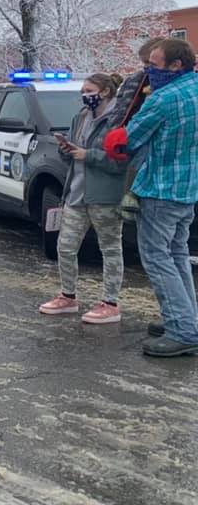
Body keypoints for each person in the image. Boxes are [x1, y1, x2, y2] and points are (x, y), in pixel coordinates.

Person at [105, 38, 198, 357]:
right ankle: (185, 318)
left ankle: (182, 330)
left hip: (160, 188)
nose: (148, 71)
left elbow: (128, 140)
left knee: (158, 258)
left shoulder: (163, 98)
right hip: (188, 188)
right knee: (177, 254)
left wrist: (114, 139)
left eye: (153, 65)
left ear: (175, 65)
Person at [39, 74, 127, 324]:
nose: (84, 95)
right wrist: (65, 150)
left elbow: (121, 162)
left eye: (89, 90)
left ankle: (110, 303)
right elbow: (71, 155)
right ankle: (68, 296)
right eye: (83, 91)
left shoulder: (119, 120)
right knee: (65, 247)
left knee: (110, 249)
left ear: (106, 91)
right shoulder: (80, 117)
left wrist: (88, 155)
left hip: (105, 196)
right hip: (76, 193)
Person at [107, 37, 164, 219]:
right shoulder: (135, 80)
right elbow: (119, 107)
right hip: (130, 132)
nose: (146, 67)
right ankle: (129, 199)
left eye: (150, 63)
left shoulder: (169, 87)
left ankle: (131, 196)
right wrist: (114, 130)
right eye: (144, 63)